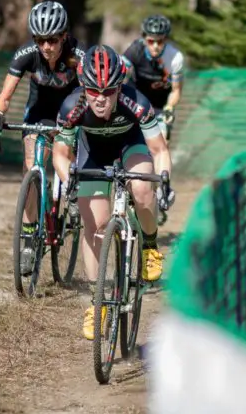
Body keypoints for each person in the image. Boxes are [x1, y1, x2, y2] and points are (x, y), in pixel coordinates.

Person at [51, 44, 174, 340]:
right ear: (84, 86)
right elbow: (60, 154)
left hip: (130, 145)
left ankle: (149, 246)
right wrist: (68, 180)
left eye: (109, 91)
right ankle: (98, 302)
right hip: (93, 153)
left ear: (121, 87)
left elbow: (159, 150)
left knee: (143, 188)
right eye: (94, 91)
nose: (101, 99)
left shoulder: (137, 102)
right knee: (94, 226)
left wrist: (165, 178)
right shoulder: (72, 107)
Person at [0, 1, 85, 274]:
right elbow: (4, 97)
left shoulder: (78, 54)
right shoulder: (26, 55)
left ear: (64, 36)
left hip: (71, 109)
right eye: (40, 40)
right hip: (39, 111)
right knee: (31, 167)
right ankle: (29, 240)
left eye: (52, 40)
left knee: (65, 159)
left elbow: (93, 93)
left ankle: (73, 194)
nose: (46, 47)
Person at [121, 14, 185, 140]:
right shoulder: (134, 50)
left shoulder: (175, 57)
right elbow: (121, 74)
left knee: (162, 144)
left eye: (160, 41)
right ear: (144, 38)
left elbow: (176, 90)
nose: (155, 46)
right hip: (136, 101)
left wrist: (170, 107)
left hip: (160, 106)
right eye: (151, 41)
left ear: (165, 39)